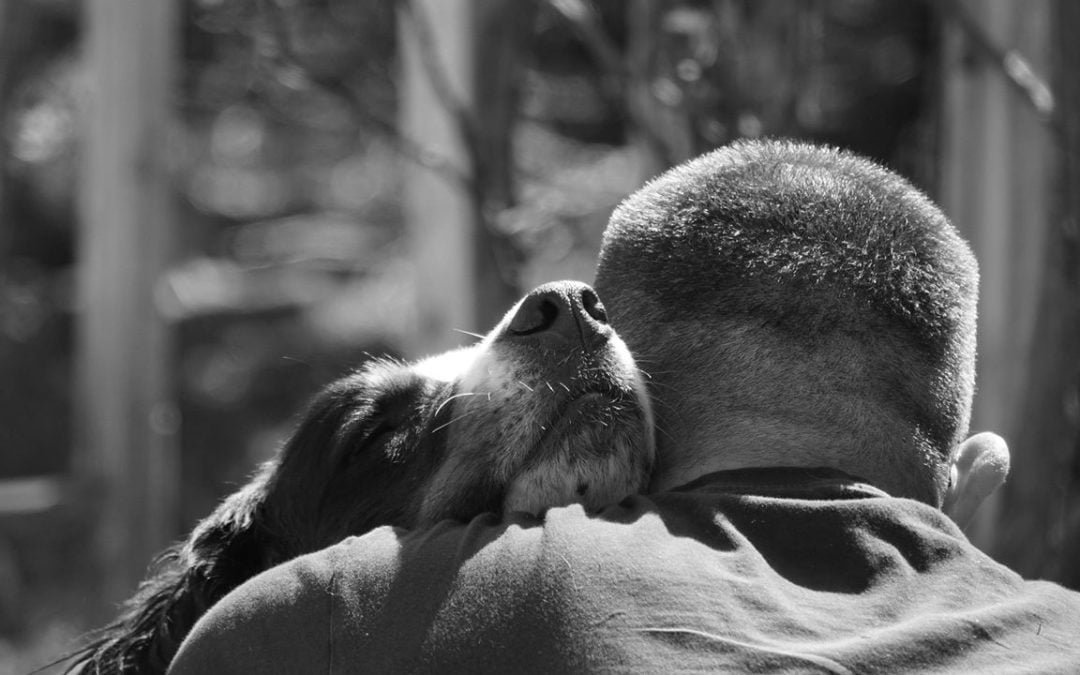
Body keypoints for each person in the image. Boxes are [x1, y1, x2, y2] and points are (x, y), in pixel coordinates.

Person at [167, 140, 1080, 673]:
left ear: (669, 425)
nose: (558, 312)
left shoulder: (312, 623)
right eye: (380, 435)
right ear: (964, 495)